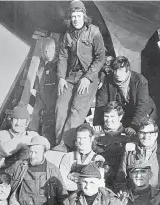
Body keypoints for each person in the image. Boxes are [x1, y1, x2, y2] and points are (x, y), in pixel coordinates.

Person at [54, 0, 106, 152]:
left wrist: (88, 77)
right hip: (70, 77)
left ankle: (66, 144)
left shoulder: (94, 32)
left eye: (79, 15)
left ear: (84, 16)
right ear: (69, 18)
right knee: (60, 107)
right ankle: (58, 143)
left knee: (76, 109)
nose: (76, 19)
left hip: (88, 77)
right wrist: (61, 78)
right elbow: (62, 57)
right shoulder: (67, 36)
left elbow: (100, 57)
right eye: (73, 16)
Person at [94, 56, 157, 136]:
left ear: (127, 70)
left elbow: (142, 105)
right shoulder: (108, 80)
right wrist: (98, 122)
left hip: (144, 113)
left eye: (120, 70)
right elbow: (101, 102)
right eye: (115, 70)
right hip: (126, 113)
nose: (117, 73)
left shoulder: (140, 81)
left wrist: (134, 126)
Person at [93, 101, 133, 192]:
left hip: (122, 183)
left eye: (112, 116)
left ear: (120, 116)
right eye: (106, 116)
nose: (108, 120)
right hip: (101, 182)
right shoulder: (96, 136)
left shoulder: (129, 136)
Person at [119, 118, 160, 188]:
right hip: (135, 196)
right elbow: (121, 179)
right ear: (138, 134)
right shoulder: (129, 152)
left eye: (150, 133)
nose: (146, 137)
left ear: (156, 135)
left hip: (159, 195)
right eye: (142, 133)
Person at [29, 37, 59, 146]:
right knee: (36, 114)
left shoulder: (58, 65)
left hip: (54, 100)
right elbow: (39, 87)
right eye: (44, 51)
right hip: (43, 98)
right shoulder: (41, 67)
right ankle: (32, 136)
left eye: (49, 50)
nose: (47, 53)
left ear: (54, 49)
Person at [59, 123, 105, 194]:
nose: (81, 141)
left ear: (91, 138)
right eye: (79, 138)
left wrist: (76, 177)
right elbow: (62, 180)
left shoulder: (99, 159)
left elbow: (100, 184)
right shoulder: (68, 157)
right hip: (70, 196)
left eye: (84, 138)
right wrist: (81, 185)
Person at [0, 103, 39, 168]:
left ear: (27, 122)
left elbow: (45, 146)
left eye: (21, 119)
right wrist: (25, 140)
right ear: (11, 120)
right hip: (5, 174)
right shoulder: (1, 134)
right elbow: (5, 151)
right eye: (15, 119)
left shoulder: (33, 134)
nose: (18, 123)